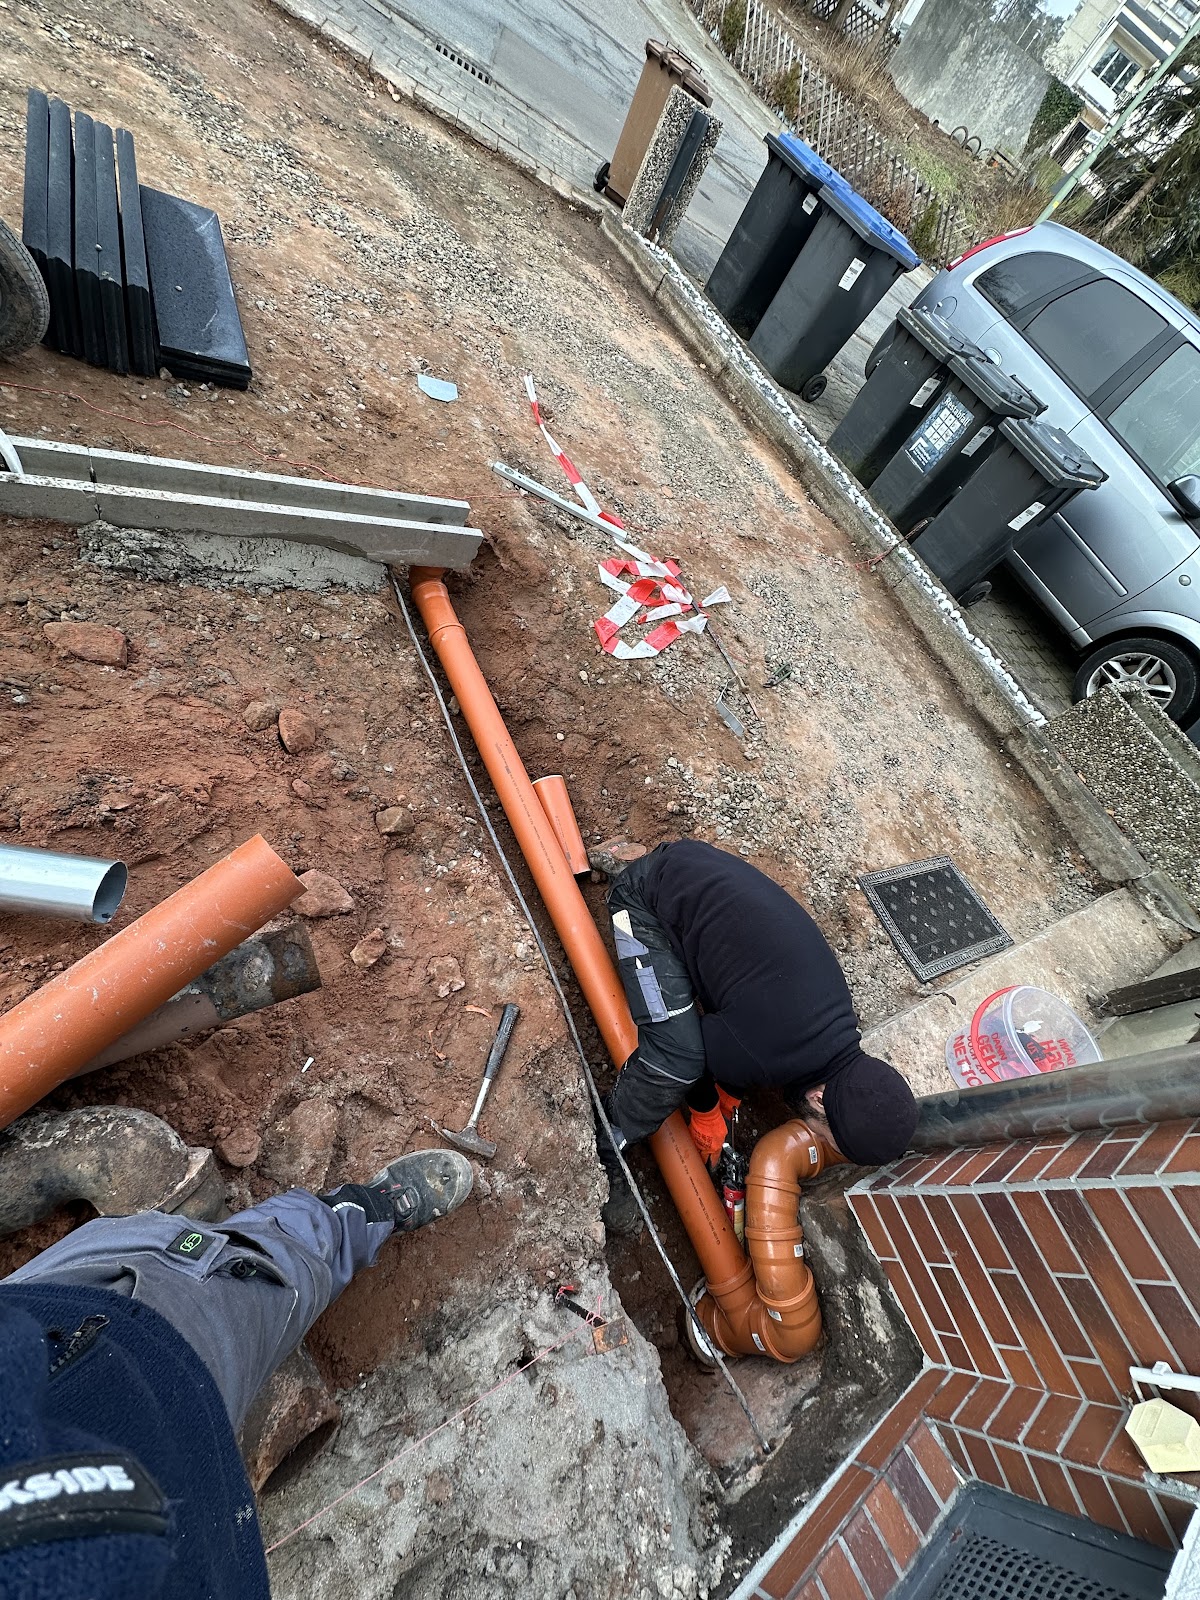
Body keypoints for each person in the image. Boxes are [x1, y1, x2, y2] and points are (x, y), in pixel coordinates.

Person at [0, 1147, 473, 1598]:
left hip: (51, 1324)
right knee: (261, 1278)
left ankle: (345, 1216)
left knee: (149, 1248)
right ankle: (350, 1223)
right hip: (159, 1408)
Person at [597, 839, 918, 1231]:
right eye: (826, 1139)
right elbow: (707, 1057)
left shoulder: (832, 1020)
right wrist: (704, 1110)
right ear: (819, 1099)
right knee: (676, 1060)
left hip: (690, 869)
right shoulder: (766, 1052)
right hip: (641, 904)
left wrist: (729, 1089)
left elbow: (751, 1033)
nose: (818, 1141)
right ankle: (608, 1140)